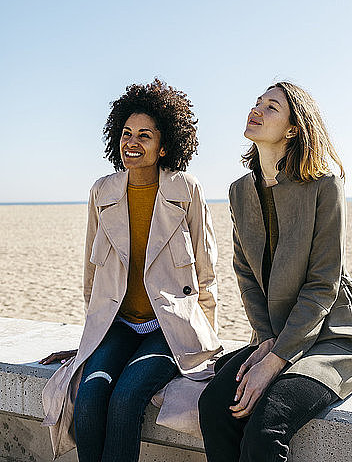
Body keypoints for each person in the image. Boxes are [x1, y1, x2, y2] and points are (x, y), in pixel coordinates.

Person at [40, 79, 222, 461]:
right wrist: (88, 340)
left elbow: (206, 273)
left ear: (164, 145)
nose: (131, 142)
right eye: (125, 133)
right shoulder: (101, 192)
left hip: (168, 328)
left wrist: (203, 342)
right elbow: (92, 279)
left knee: (126, 398)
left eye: (144, 135)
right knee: (89, 397)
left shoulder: (186, 189)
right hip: (119, 325)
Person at [198, 81, 352, 462]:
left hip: (331, 334)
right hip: (274, 332)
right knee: (214, 407)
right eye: (257, 102)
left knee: (265, 427)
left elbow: (323, 283)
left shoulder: (325, 184)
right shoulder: (239, 191)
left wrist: (276, 359)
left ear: (294, 128)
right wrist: (264, 341)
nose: (256, 109)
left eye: (271, 107)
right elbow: (245, 272)